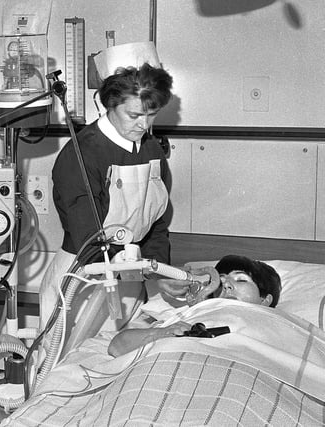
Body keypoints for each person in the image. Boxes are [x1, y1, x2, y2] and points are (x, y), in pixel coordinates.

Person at [39, 44, 174, 333]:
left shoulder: (153, 152)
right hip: (82, 277)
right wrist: (120, 267)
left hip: (128, 275)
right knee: (65, 363)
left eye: (152, 114)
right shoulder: (84, 153)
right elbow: (86, 232)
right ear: (109, 104)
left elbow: (157, 224)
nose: (144, 124)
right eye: (134, 115)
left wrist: (159, 273)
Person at [108, 254, 282, 357]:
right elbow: (116, 346)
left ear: (265, 300)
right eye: (220, 281)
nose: (227, 285)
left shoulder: (276, 327)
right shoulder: (195, 314)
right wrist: (159, 333)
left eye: (241, 280)